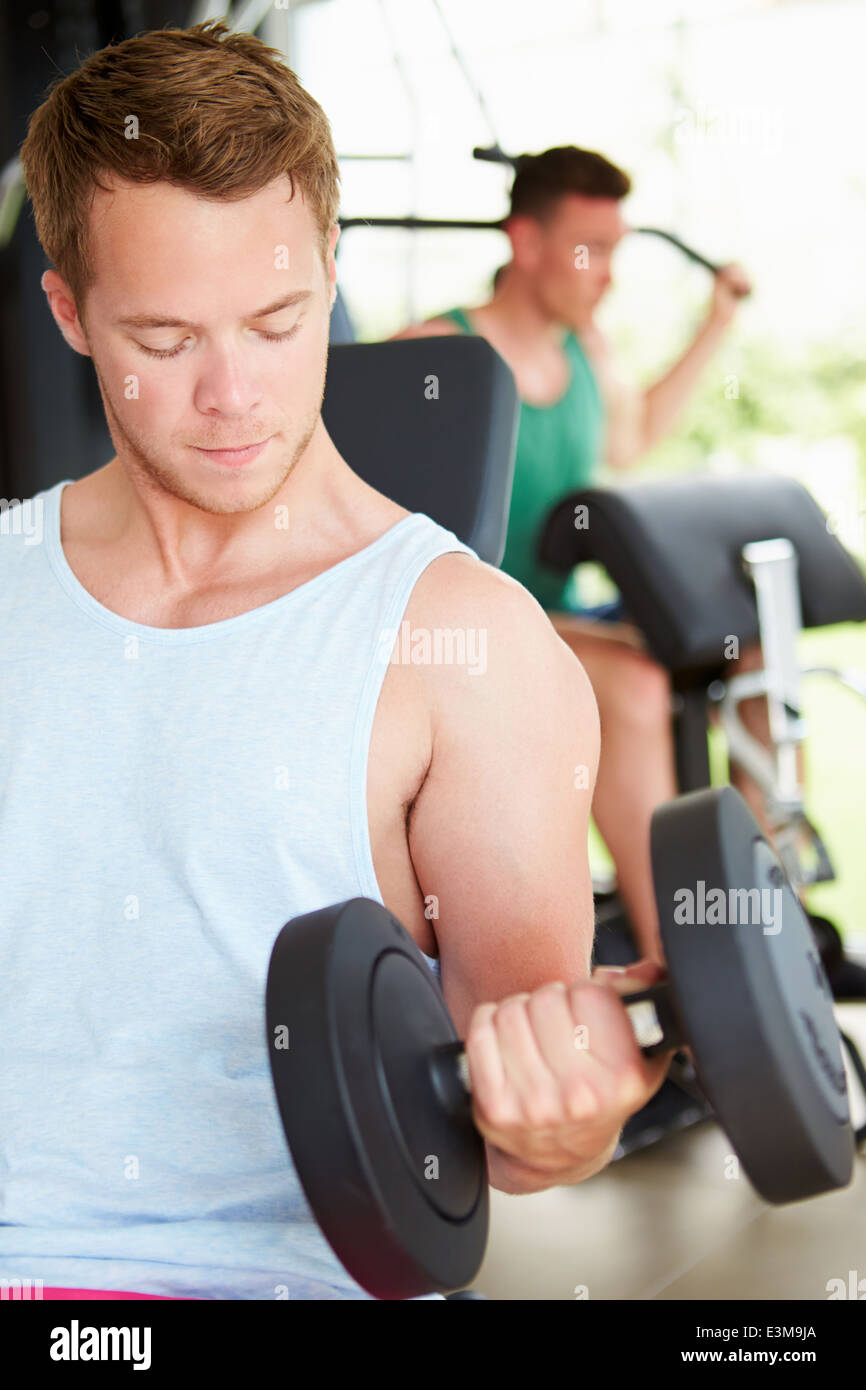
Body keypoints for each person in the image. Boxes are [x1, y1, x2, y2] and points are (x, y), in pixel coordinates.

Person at [3, 20, 669, 1302]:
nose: (233, 394)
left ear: (331, 269)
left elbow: (520, 1105)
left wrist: (564, 1115)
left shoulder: (464, 648)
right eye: (162, 340)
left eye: (276, 319)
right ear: (71, 314)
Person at [392, 146, 759, 963]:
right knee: (631, 681)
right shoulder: (434, 352)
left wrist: (715, 326)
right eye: (591, 250)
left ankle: (757, 918)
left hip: (559, 615)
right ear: (526, 243)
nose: (608, 276)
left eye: (617, 251)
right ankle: (687, 964)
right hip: (467, 632)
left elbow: (632, 439)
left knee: (754, 656)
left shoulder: (589, 351)